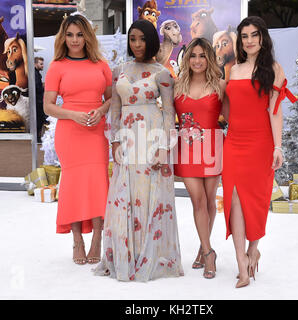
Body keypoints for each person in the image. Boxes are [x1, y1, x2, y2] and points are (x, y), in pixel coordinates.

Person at [94, 19, 183, 282]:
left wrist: (164, 148)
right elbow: (115, 109)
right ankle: (125, 255)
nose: (137, 44)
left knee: (149, 195)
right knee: (125, 195)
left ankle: (150, 255)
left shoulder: (162, 72)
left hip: (152, 139)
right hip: (127, 140)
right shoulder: (119, 69)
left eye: (142, 39)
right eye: (133, 39)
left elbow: (169, 113)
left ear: (151, 40)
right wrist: (115, 141)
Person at [221, 16, 297, 288]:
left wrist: (278, 146)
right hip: (234, 143)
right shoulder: (234, 69)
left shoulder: (273, 68)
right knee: (234, 202)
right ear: (239, 41)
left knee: (256, 200)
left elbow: (275, 112)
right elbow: (228, 110)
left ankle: (254, 249)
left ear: (262, 38)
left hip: (261, 143)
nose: (249, 40)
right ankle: (242, 267)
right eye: (244, 36)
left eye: (254, 35)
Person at [43, 14, 112, 265]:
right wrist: (73, 115)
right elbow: (48, 107)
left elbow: (112, 98)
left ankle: (96, 238)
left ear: (87, 36)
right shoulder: (57, 66)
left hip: (96, 131)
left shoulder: (101, 65)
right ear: (63, 37)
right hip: (70, 133)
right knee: (72, 185)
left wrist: (102, 111)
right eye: (70, 35)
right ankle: (77, 240)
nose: (75, 40)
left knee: (97, 183)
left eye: (79, 34)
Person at [173, 38, 225, 279]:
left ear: (209, 59)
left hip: (213, 149)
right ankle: (209, 252)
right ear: (187, 58)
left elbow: (235, 117)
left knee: (210, 202)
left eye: (202, 55)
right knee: (198, 201)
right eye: (193, 55)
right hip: (186, 150)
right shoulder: (176, 86)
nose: (197, 60)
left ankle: (202, 249)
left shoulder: (220, 86)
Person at [34, 56, 47, 143]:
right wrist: (44, 87)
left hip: (38, 100)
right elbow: (37, 88)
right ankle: (37, 138)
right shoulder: (35, 74)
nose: (43, 66)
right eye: (41, 64)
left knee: (40, 119)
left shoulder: (36, 73)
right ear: (35, 64)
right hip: (38, 101)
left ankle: (38, 137)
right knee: (40, 119)